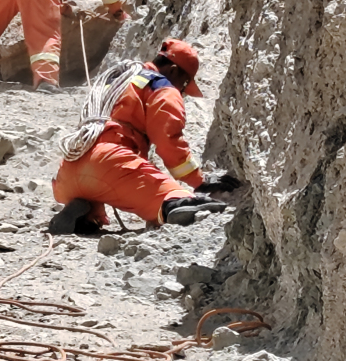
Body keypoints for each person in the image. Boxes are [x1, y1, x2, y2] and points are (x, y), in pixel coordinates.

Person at [49, 39, 237, 232]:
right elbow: (167, 140)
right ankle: (170, 205)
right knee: (174, 199)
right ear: (173, 70)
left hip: (69, 170)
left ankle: (87, 215)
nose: (182, 91)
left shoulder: (117, 80)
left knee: (99, 186)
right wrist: (199, 181)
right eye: (185, 84)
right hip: (110, 163)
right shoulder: (161, 86)